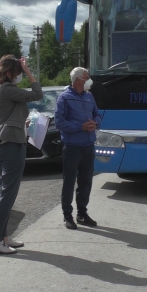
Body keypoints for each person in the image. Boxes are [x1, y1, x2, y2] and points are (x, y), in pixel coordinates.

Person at [0, 55, 43, 254]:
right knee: (7, 193)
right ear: (10, 73)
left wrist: (20, 123)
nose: (21, 76)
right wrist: (29, 71)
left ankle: (3, 237)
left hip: (7, 141)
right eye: (19, 73)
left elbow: (0, 118)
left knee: (7, 192)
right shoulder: (7, 89)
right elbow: (37, 95)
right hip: (11, 143)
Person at [55, 67, 102, 230]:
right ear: (78, 81)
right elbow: (59, 122)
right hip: (72, 146)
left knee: (86, 181)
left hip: (88, 145)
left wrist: (95, 123)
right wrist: (80, 126)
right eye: (87, 77)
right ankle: (67, 215)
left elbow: (98, 114)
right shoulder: (64, 98)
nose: (89, 80)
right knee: (69, 181)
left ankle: (82, 213)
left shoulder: (89, 96)